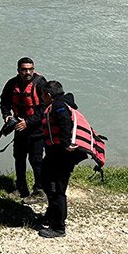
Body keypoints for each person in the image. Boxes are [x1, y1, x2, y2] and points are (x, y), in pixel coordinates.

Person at [37, 81, 105, 239]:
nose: (41, 98)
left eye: (42, 95)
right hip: (55, 154)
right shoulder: (61, 104)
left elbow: (64, 121)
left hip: (63, 155)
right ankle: (51, 215)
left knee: (56, 190)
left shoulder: (59, 106)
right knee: (46, 181)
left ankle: (58, 227)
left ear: (48, 95)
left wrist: (67, 143)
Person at [0, 57, 50, 203]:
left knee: (36, 160)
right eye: (24, 69)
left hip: (36, 130)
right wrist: (7, 116)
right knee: (19, 158)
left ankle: (40, 191)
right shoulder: (11, 84)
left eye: (30, 69)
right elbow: (4, 101)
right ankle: (21, 187)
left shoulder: (40, 84)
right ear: (18, 70)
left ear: (33, 69)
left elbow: (44, 108)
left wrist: (28, 122)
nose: (27, 72)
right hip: (19, 128)